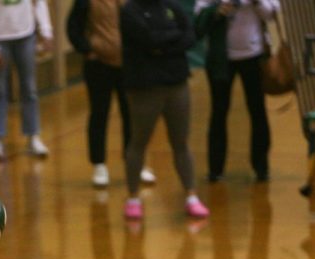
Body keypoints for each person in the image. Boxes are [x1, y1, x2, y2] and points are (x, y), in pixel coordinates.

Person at [119, 0, 210, 221]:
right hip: (145, 86)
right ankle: (133, 197)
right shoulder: (130, 11)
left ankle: (191, 196)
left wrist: (163, 44)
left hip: (176, 82)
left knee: (181, 142)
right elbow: (147, 40)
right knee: (139, 141)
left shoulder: (172, 6)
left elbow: (189, 36)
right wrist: (172, 37)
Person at [66, 0, 157, 187]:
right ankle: (99, 165)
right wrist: (87, 49)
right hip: (98, 64)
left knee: (132, 115)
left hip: (129, 64)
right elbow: (73, 26)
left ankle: (134, 163)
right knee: (99, 113)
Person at [194, 0, 280, 183]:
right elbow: (199, 15)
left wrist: (257, 3)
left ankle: (261, 168)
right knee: (219, 110)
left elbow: (271, 15)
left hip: (254, 56)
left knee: (257, 110)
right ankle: (215, 169)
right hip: (220, 57)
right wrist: (218, 10)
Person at [0, 0, 55, 160]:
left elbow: (39, 3)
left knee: (29, 88)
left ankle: (33, 135)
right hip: (0, 37)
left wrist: (46, 31)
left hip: (25, 34)